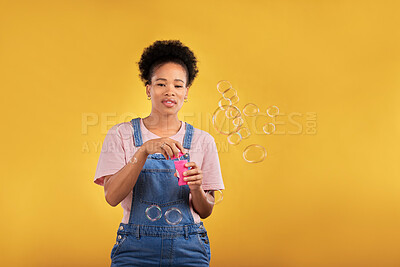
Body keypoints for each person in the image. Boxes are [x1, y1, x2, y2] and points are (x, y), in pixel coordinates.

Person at [93, 40, 225, 266]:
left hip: (189, 249)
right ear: (148, 89)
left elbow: (206, 211)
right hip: (135, 249)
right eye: (161, 84)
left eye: (178, 85)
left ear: (186, 92)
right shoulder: (121, 134)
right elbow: (112, 197)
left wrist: (196, 188)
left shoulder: (204, 141)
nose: (170, 92)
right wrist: (143, 151)